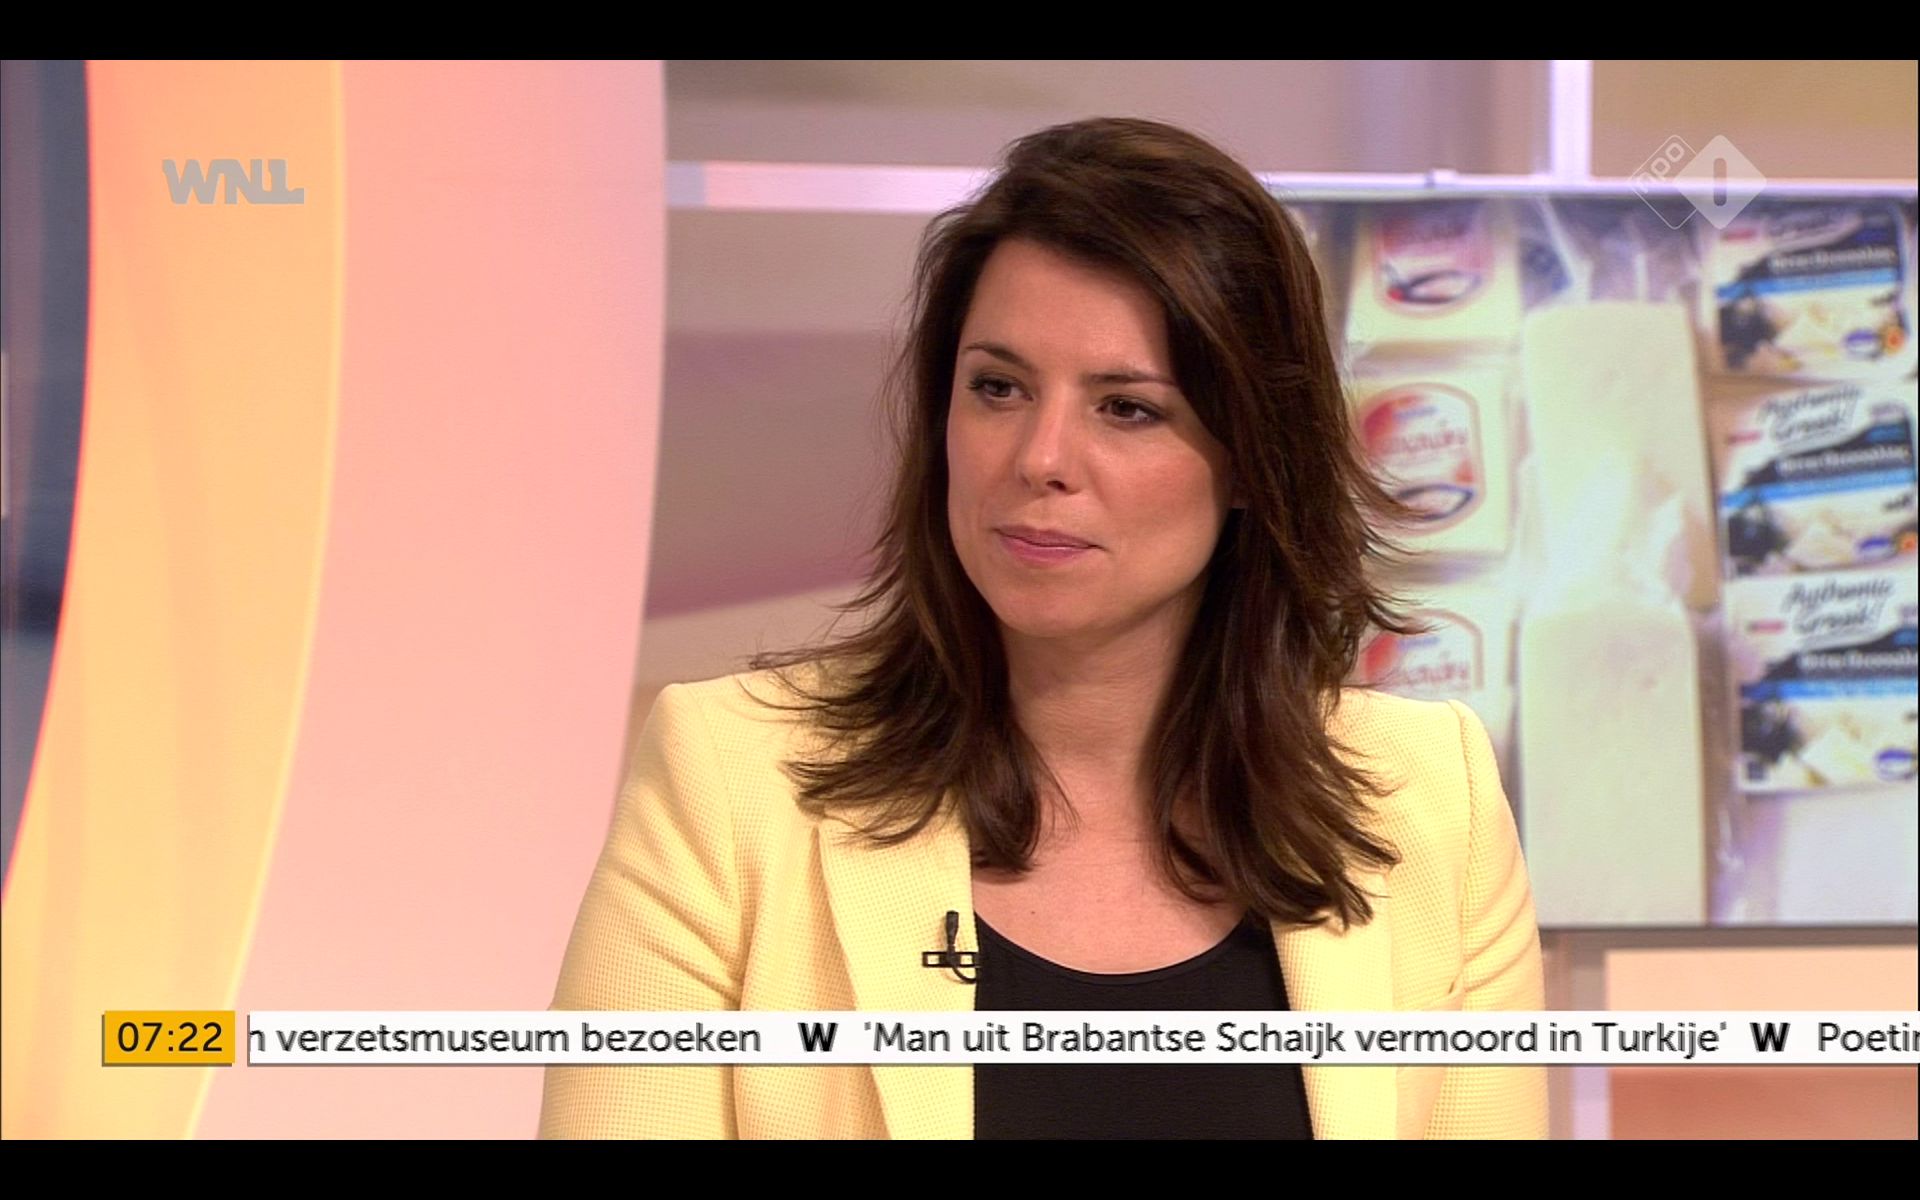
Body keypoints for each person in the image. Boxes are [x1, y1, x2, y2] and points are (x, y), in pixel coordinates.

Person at [538, 116, 1547, 1140]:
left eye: (1127, 408)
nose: (1040, 457)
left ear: (1251, 458)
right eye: (999, 388)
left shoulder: (1433, 801)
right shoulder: (730, 780)